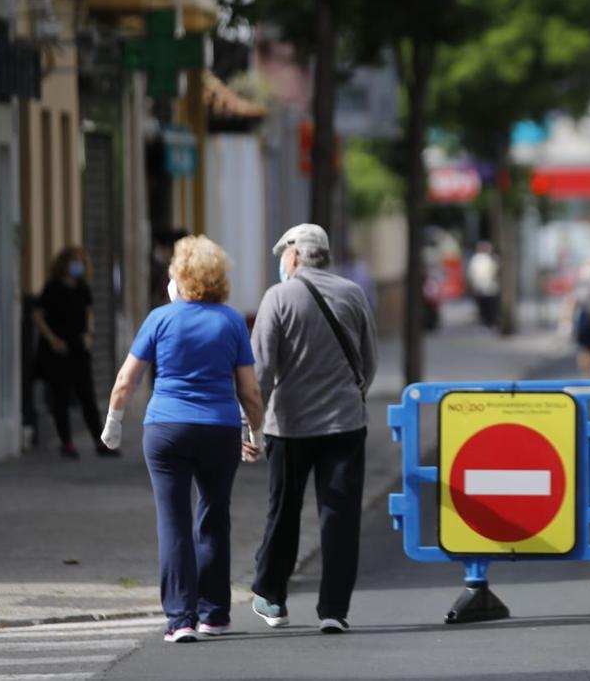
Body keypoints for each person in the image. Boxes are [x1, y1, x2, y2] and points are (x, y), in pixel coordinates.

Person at [99, 235, 266, 644]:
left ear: (180, 276)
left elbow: (126, 380)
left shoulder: (160, 318)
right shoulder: (230, 321)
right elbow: (249, 391)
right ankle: (214, 613)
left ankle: (180, 620)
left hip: (166, 429)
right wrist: (255, 433)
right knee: (213, 516)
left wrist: (113, 422)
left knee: (172, 521)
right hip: (218, 429)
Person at [249, 223, 378, 635]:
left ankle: (272, 597)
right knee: (339, 516)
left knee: (284, 513)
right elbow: (368, 362)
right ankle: (334, 610)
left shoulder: (278, 297)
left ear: (293, 256)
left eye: (281, 257)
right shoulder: (353, 294)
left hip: (289, 427)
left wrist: (249, 425)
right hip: (345, 424)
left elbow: (263, 372)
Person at [32, 246, 117, 459]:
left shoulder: (82, 288)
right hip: (58, 351)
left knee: (87, 395)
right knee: (60, 396)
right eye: (74, 261)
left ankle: (100, 441)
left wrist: (89, 334)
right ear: (64, 264)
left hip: (79, 349)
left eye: (80, 261)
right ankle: (66, 443)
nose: (78, 265)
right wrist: (52, 340)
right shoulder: (52, 288)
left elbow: (89, 313)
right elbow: (38, 315)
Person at [563, 261, 590, 377]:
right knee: (586, 349)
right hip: (586, 321)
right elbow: (572, 303)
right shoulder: (581, 288)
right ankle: (588, 375)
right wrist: (567, 322)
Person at [467, 241, 500, 328]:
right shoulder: (489, 259)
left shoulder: (476, 259)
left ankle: (487, 320)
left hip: (483, 286)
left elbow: (471, 274)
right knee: (488, 305)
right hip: (488, 286)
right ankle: (489, 320)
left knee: (484, 305)